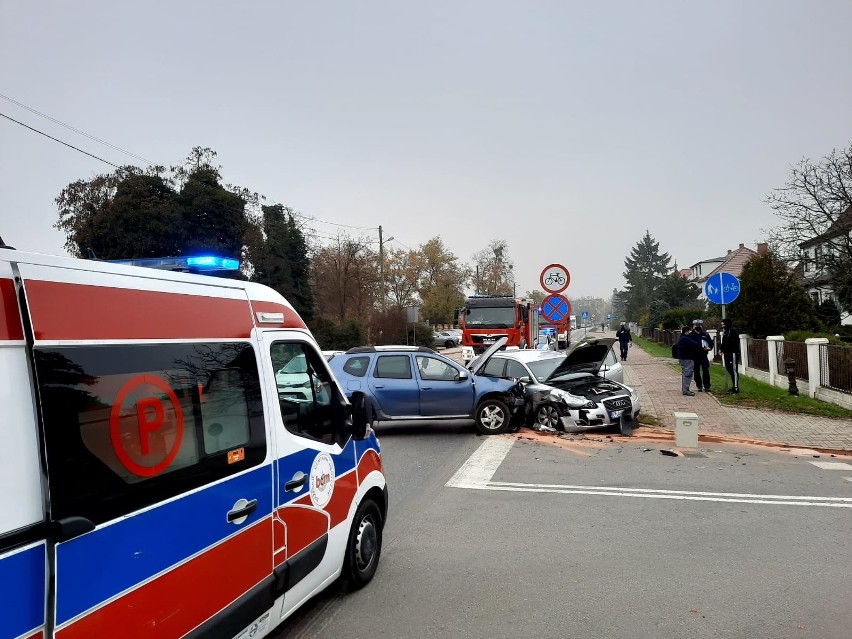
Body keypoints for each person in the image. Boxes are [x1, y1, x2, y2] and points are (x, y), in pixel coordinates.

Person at [675, 325, 700, 395]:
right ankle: (686, 390)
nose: (690, 332)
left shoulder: (682, 338)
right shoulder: (685, 339)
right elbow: (695, 345)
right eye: (689, 331)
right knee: (688, 374)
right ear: (686, 332)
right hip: (687, 358)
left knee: (685, 373)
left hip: (683, 358)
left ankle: (685, 389)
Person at [691, 319, 713, 392]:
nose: (697, 327)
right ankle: (699, 386)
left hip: (703, 355)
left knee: (706, 371)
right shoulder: (691, 334)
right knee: (696, 372)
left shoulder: (705, 334)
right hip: (694, 356)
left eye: (699, 326)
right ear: (693, 326)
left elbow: (711, 343)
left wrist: (709, 348)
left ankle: (707, 386)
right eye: (696, 326)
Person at [719, 317, 741, 393]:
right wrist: (721, 349)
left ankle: (735, 387)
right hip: (727, 353)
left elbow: (729, 342)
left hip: (733, 353)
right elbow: (724, 341)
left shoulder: (732, 331)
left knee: (733, 370)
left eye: (723, 324)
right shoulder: (726, 331)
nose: (722, 326)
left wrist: (723, 349)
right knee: (729, 369)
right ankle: (734, 386)